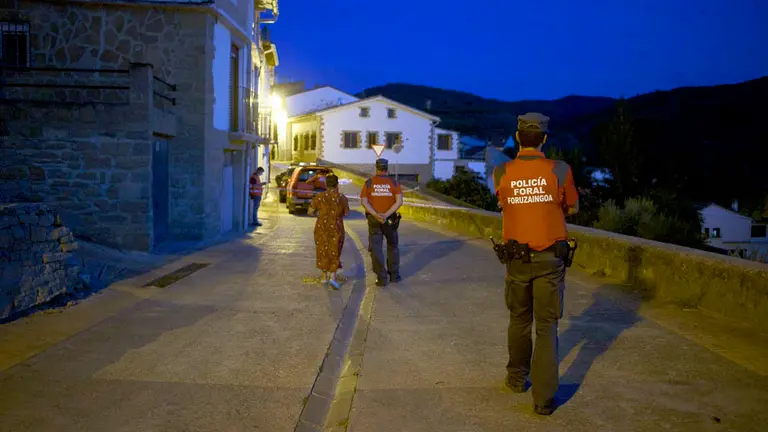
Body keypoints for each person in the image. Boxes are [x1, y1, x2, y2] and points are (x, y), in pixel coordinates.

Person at [492, 112, 579, 416]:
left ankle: (516, 379)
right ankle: (543, 399)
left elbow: (503, 203)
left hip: (516, 260)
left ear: (518, 138)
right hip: (549, 260)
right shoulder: (560, 169)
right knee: (546, 326)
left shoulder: (501, 171)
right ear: (544, 139)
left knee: (518, 320)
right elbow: (572, 206)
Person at [360, 158, 403, 286]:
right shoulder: (394, 183)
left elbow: (364, 201)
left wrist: (376, 214)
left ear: (376, 168)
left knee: (376, 248)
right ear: (387, 169)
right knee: (392, 246)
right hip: (390, 220)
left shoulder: (369, 183)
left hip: (374, 220)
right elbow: (399, 201)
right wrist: (386, 214)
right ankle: (394, 275)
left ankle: (382, 277)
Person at [308, 174, 350, 289]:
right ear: (337, 184)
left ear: (326, 184)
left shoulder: (319, 196)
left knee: (322, 250)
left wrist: (320, 214)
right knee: (335, 250)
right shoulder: (342, 198)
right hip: (337, 228)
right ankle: (332, 277)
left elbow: (310, 211)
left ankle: (323, 277)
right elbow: (346, 213)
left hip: (321, 228)